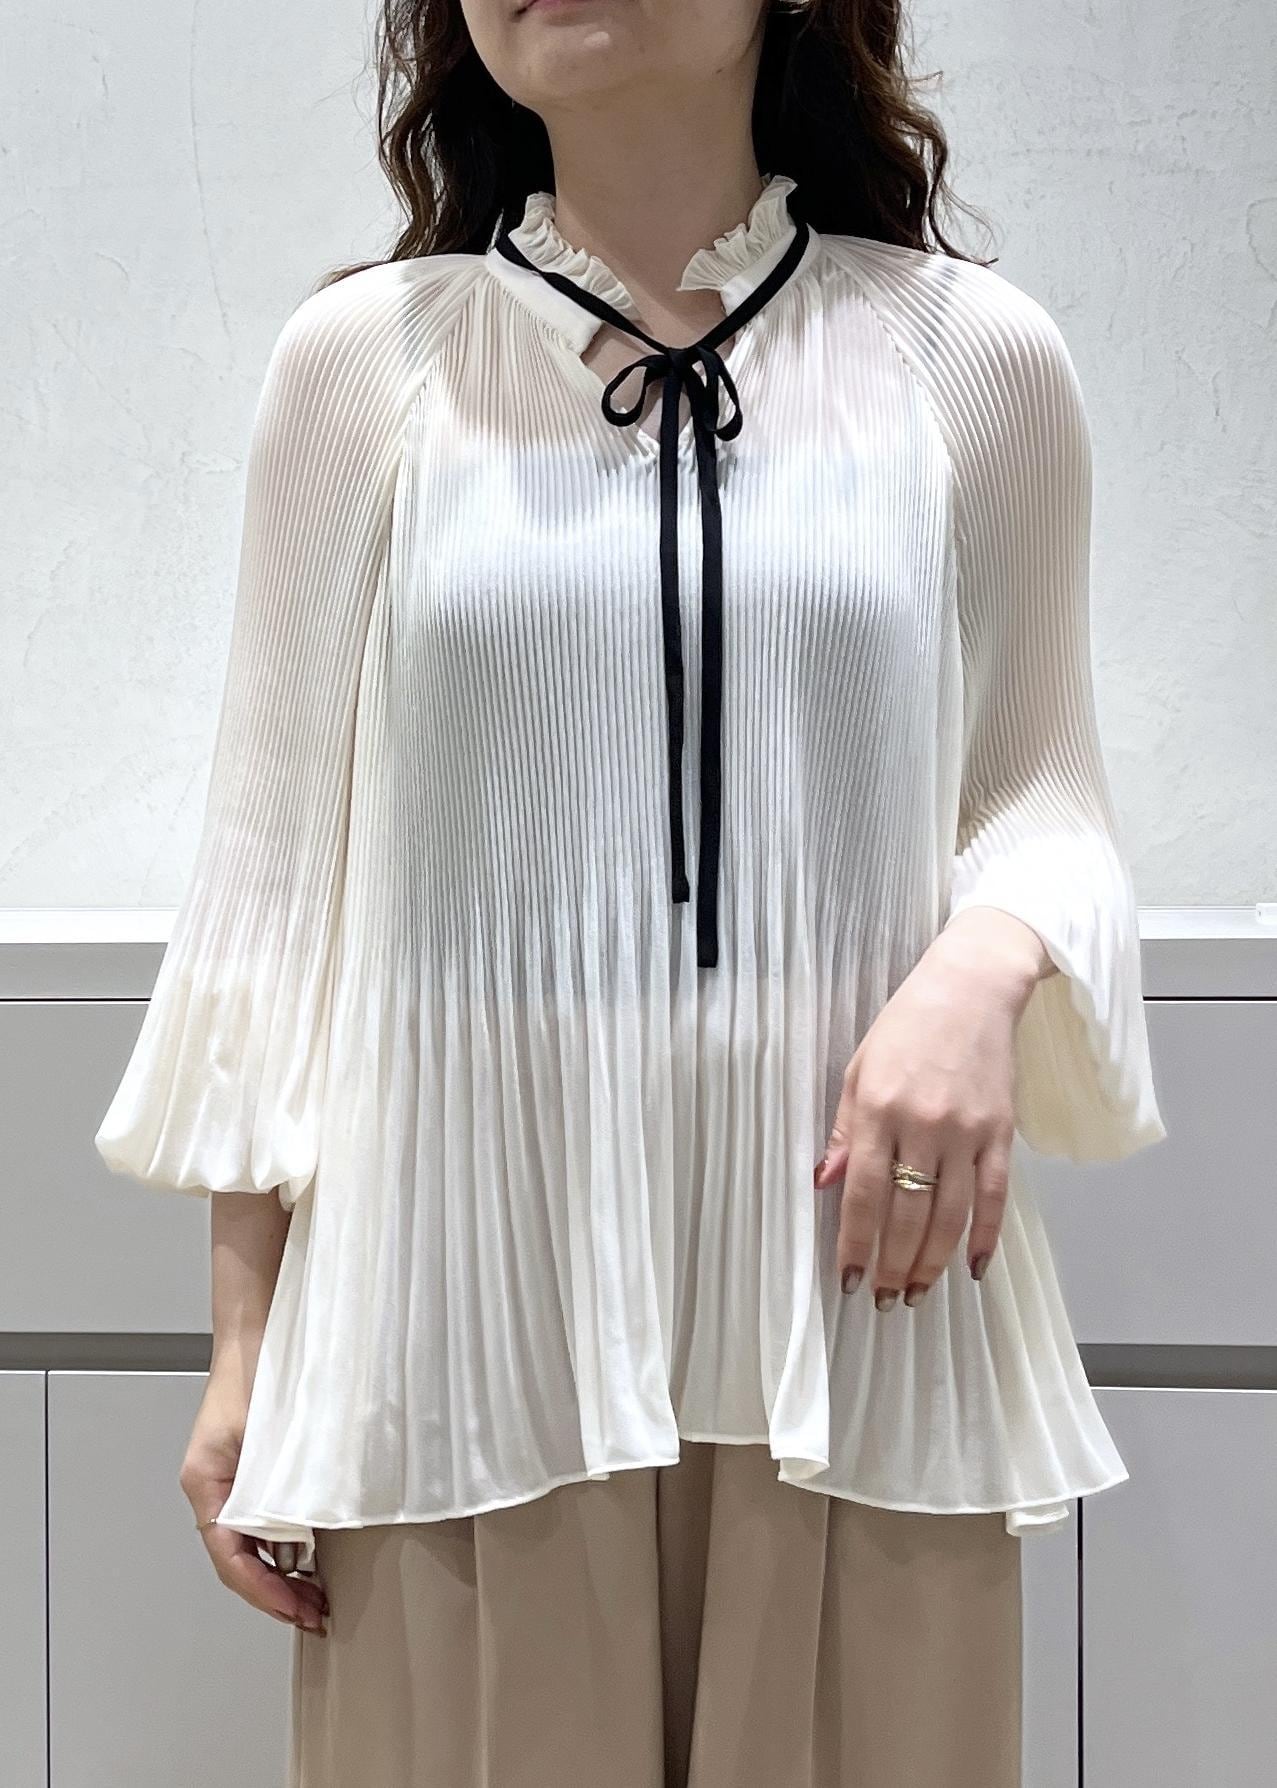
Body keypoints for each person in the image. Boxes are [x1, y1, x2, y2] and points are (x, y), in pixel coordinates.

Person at [93, 1, 1168, 1784]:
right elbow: (274, 890)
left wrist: (981, 968)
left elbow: (1043, 790)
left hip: (857, 1320)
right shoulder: (366, 363)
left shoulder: (971, 359)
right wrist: (244, 1351)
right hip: (454, 1331)